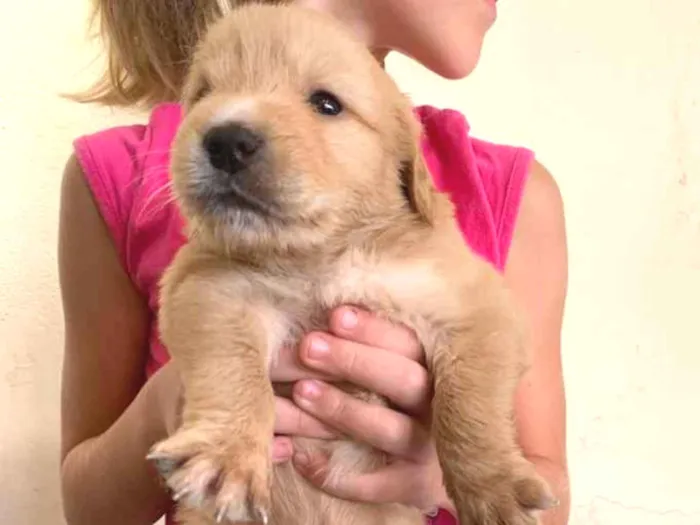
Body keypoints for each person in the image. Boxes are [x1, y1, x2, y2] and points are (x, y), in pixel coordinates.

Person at [58, 0, 570, 524]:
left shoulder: (511, 199)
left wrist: (460, 465)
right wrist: (188, 408)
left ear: (405, 164)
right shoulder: (121, 182)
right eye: (206, 93)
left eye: (325, 104)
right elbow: (86, 509)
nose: (228, 132)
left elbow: (541, 487)